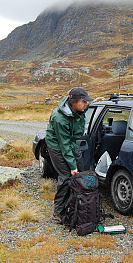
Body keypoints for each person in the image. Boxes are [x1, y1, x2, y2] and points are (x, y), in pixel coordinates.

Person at [45, 87, 93, 222]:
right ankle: (58, 212)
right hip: (57, 146)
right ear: (74, 102)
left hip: (71, 143)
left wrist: (76, 166)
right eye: (83, 102)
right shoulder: (60, 119)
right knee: (66, 176)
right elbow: (64, 145)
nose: (86, 104)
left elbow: (70, 143)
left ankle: (76, 206)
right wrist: (72, 166)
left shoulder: (80, 109)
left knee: (80, 174)